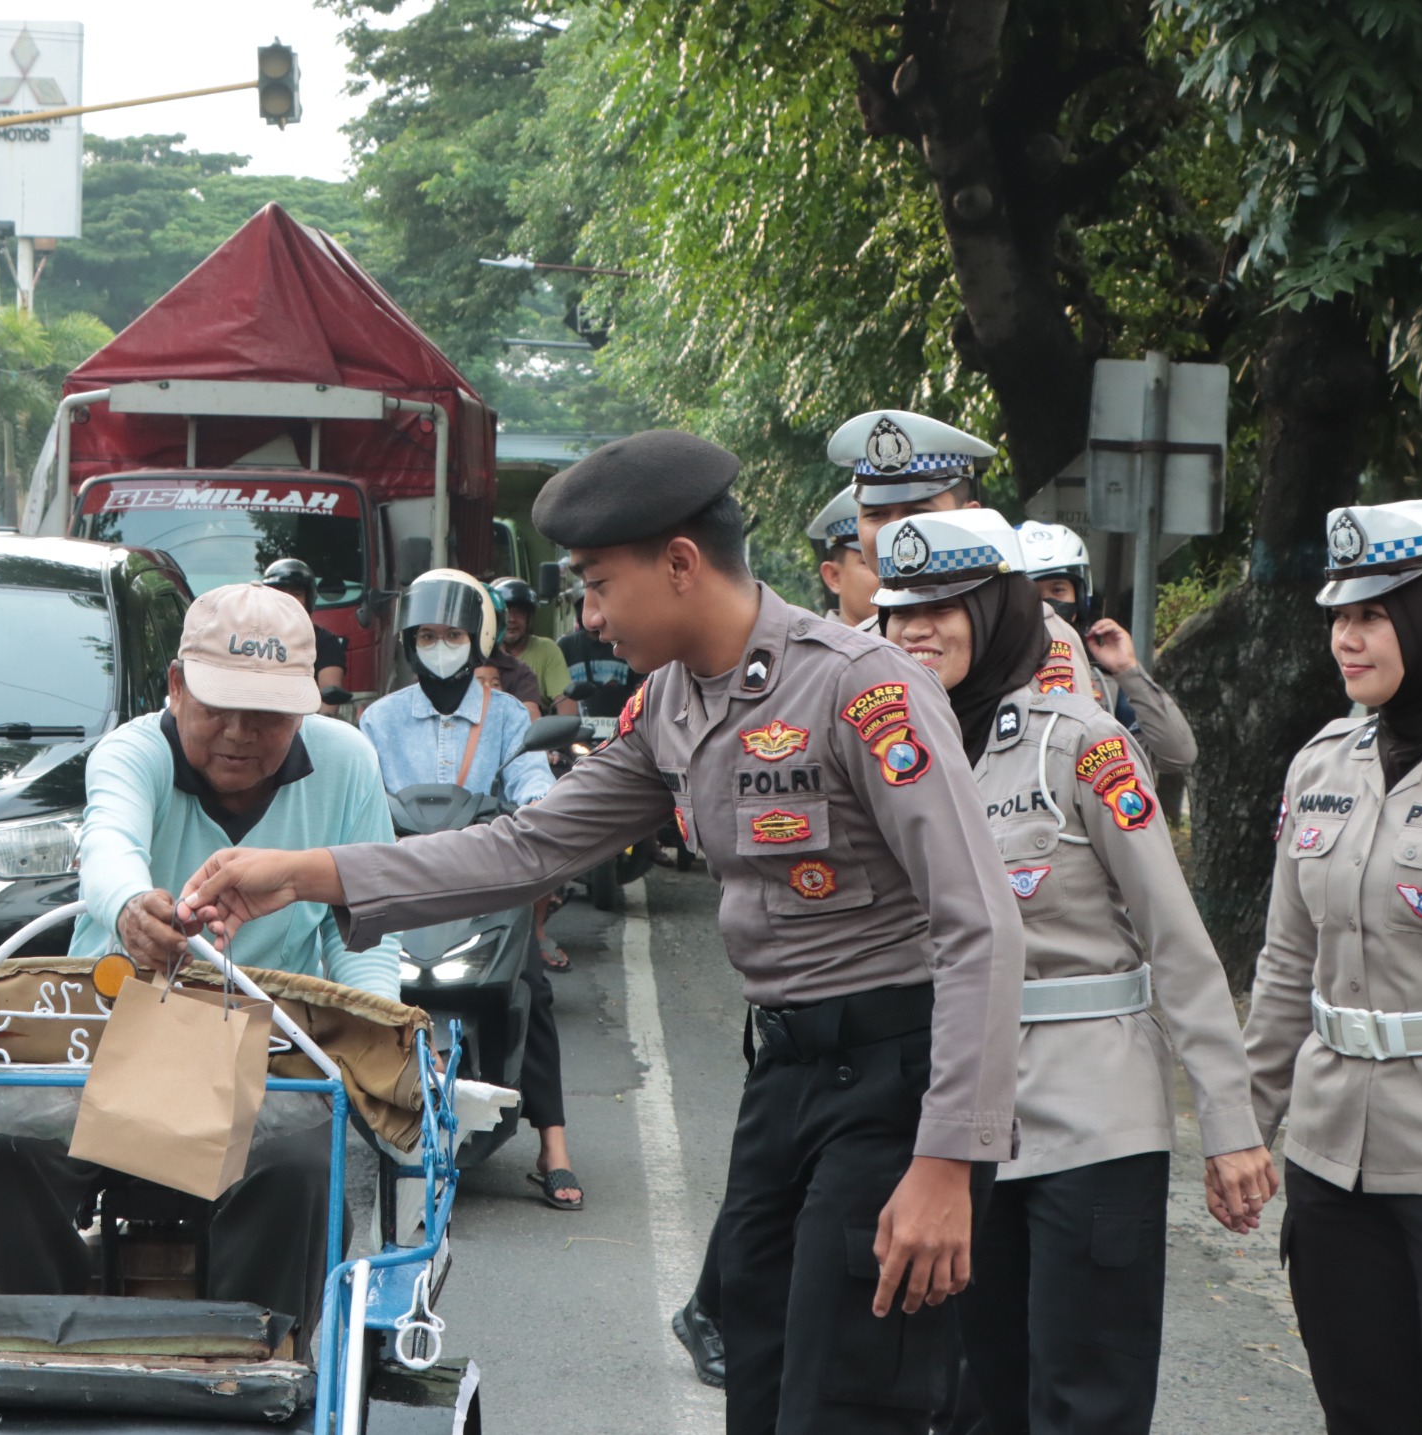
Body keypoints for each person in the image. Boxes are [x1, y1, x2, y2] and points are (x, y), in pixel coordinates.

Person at [177, 429, 1026, 1435]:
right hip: (785, 1079)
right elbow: (527, 849)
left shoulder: (860, 686)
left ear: (678, 563)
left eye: (596, 582)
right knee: (752, 1357)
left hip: (896, 1081)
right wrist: (305, 875)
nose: (584, 614)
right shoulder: (671, 704)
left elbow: (981, 925)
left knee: (850, 1393)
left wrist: (947, 1163)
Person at [872, 508, 1273, 1434]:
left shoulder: (1084, 744)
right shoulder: (893, 756)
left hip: (1094, 1124)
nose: (915, 629)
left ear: (1001, 609)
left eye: (945, 605)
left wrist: (1229, 1122)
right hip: (953, 1126)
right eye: (898, 611)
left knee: (1083, 1402)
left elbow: (1177, 941)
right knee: (969, 1401)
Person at [0, 581, 404, 1337]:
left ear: (307, 708)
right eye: (215, 706)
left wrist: (373, 1036)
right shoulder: (134, 749)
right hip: (105, 1046)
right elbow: (108, 847)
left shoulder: (348, 764)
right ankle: (36, 1361)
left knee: (301, 1173)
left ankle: (249, 1374)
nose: (237, 732)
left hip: (264, 1059)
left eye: (264, 715)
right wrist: (131, 907)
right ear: (175, 686)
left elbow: (362, 928)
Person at [1245, 499, 1422, 1435]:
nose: (1348, 636)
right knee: (1364, 1411)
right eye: (1340, 615)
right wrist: (1244, 1122)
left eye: (1374, 614)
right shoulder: (1323, 762)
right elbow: (1286, 960)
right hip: (1332, 1160)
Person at [358, 573, 581, 1210]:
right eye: (427, 636)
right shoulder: (378, 720)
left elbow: (533, 781)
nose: (439, 647)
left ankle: (553, 1148)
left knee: (531, 989)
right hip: (400, 887)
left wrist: (541, 813)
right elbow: (357, 795)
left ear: (475, 641)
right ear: (409, 643)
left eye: (451, 635)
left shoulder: (508, 717)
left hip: (486, 882)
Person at [832, 408, 1199, 775]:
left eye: (917, 511)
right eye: (876, 516)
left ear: (971, 515)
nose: (897, 533)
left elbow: (1068, 777)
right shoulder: (850, 653)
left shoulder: (1041, 638)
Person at [1012, 521, 1199, 774]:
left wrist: (1128, 670)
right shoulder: (993, 683)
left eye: (1058, 590)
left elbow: (1178, 755)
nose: (1048, 607)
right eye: (1034, 593)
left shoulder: (1105, 689)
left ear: (1079, 601)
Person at [262, 556, 348, 710]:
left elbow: (329, 697)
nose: (288, 599)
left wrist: (317, 723)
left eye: (296, 593)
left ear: (309, 598)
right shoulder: (250, 638)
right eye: (279, 592)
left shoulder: (326, 642)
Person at [491, 577, 574, 715]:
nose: (512, 619)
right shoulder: (483, 652)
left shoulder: (546, 650)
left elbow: (567, 708)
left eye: (519, 612)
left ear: (529, 618)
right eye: (506, 612)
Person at [807, 489, 877, 627]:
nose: (890, 576)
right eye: (870, 562)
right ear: (834, 577)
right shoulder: (812, 648)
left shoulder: (919, 644)